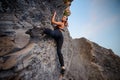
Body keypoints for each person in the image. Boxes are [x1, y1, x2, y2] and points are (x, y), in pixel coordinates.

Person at [43, 11, 68, 77]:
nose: (63, 17)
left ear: (65, 20)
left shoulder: (61, 23)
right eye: (63, 16)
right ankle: (63, 67)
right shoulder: (63, 24)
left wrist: (54, 14)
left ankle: (43, 30)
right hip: (60, 37)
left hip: (58, 34)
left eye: (65, 17)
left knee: (52, 33)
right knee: (59, 51)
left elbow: (52, 21)